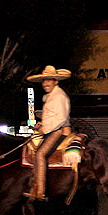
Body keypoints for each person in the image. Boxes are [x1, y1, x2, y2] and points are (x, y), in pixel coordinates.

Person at [23, 65, 72, 201]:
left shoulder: (59, 96)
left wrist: (43, 129)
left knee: (40, 154)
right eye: (44, 81)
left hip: (58, 131)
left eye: (49, 80)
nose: (45, 84)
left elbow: (60, 118)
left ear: (56, 81)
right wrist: (42, 124)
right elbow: (52, 117)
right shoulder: (52, 96)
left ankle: (40, 190)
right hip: (53, 129)